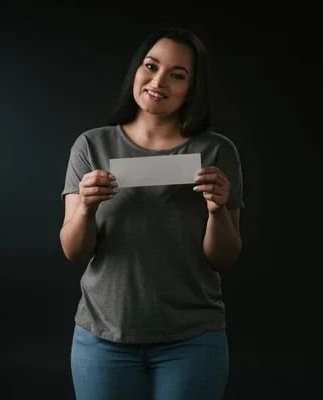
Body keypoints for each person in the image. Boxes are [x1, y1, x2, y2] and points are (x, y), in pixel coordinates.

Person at [59, 26, 244, 400]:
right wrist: (86, 207)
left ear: (192, 88)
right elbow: (74, 251)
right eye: (151, 66)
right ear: (137, 70)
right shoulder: (92, 145)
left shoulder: (216, 151)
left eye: (177, 75)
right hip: (103, 338)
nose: (158, 81)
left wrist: (218, 210)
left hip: (192, 338)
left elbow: (223, 258)